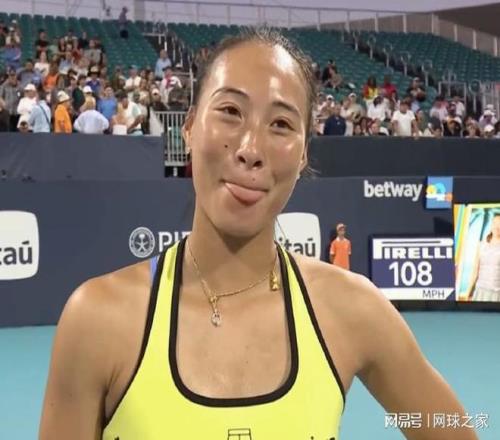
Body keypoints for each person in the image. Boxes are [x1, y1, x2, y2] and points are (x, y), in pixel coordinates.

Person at [39, 28, 478, 440]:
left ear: (303, 154)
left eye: (281, 124)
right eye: (231, 112)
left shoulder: (353, 310)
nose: (251, 150)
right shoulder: (98, 320)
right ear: (189, 127)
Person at [467, 213, 500, 302]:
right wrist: (469, 291)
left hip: (497, 293)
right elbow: (475, 271)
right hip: (480, 290)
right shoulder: (481, 245)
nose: (497, 227)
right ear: (491, 225)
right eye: (495, 223)